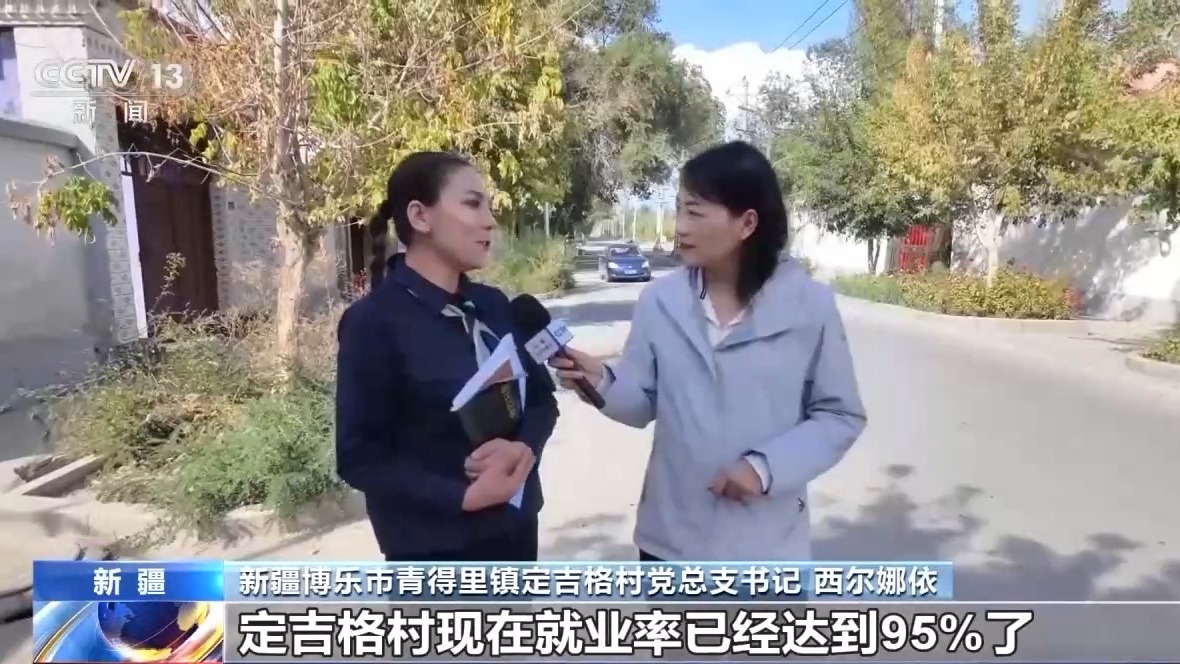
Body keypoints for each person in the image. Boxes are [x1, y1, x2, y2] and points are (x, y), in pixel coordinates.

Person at [550, 141, 867, 562]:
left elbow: (839, 415)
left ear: (747, 223)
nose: (680, 227)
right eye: (679, 210)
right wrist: (601, 382)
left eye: (695, 213)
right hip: (670, 542)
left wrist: (764, 468)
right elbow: (641, 402)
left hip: (766, 552)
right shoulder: (660, 302)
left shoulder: (809, 307)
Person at [335, 151, 559, 562]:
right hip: (434, 552)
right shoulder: (373, 323)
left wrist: (524, 448)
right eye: (473, 204)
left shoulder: (494, 306)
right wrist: (463, 497)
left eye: (488, 206)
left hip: (516, 533)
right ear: (420, 216)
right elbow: (360, 457)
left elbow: (542, 400)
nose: (490, 221)